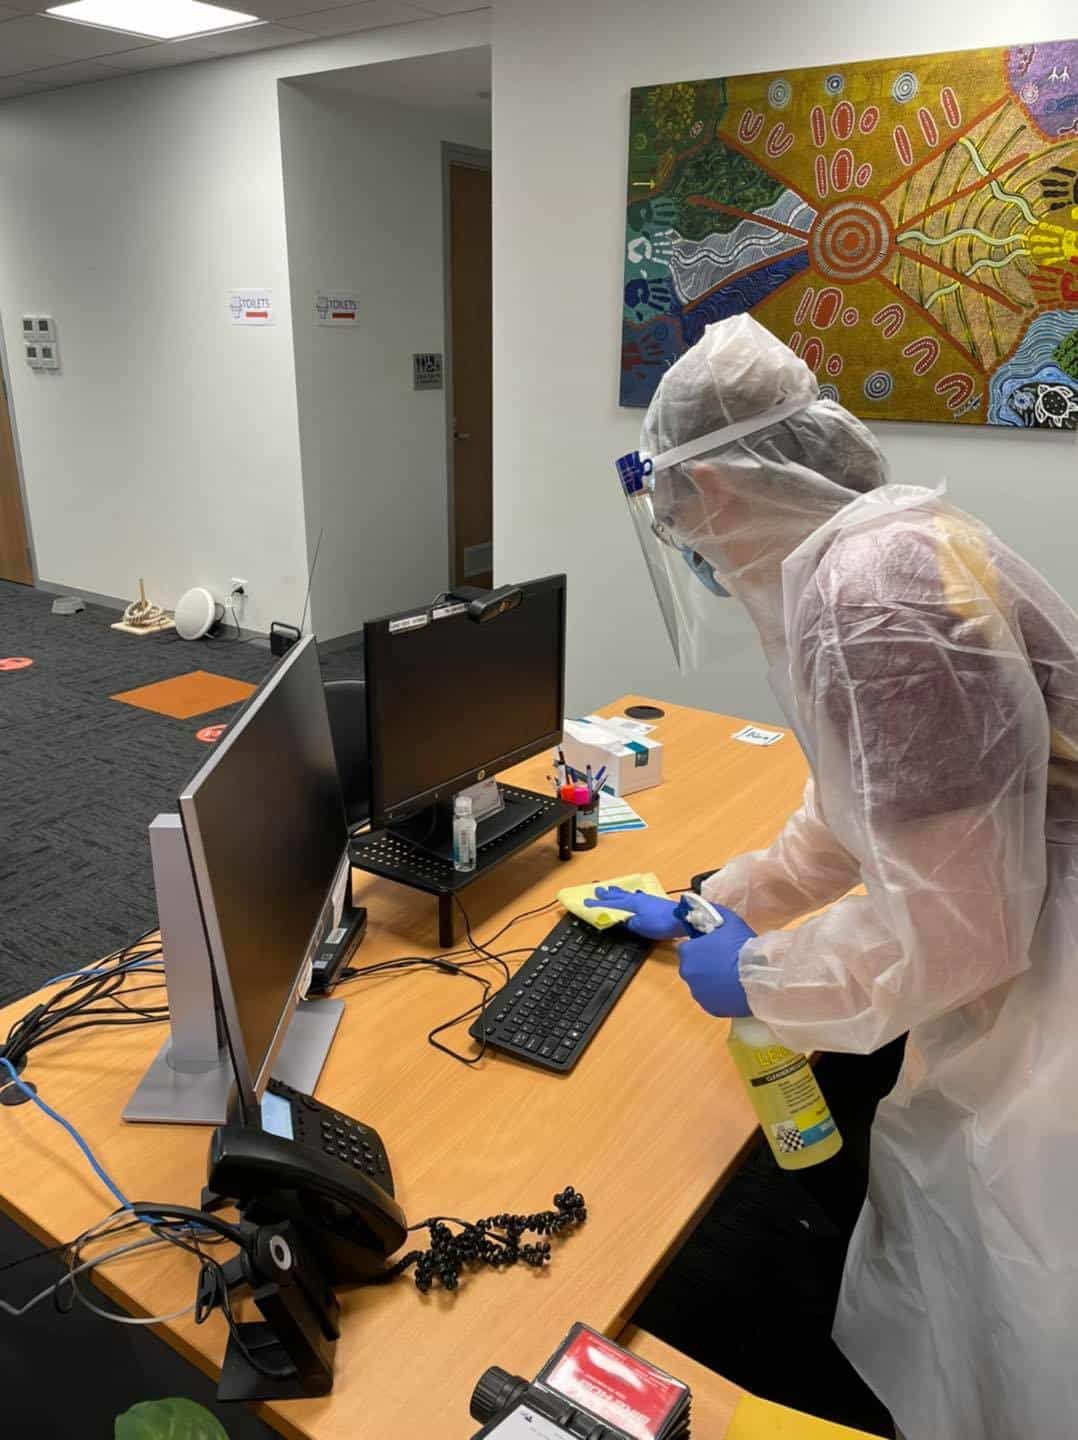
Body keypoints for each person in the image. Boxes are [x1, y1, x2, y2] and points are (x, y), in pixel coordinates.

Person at [593, 313, 1078, 1440]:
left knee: (1014, 1257)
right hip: (1035, 913)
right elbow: (873, 806)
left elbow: (962, 928)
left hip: (1054, 966)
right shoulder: (878, 547)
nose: (682, 541)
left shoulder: (876, 602)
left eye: (674, 510)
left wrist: (761, 976)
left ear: (711, 484)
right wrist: (734, 898)